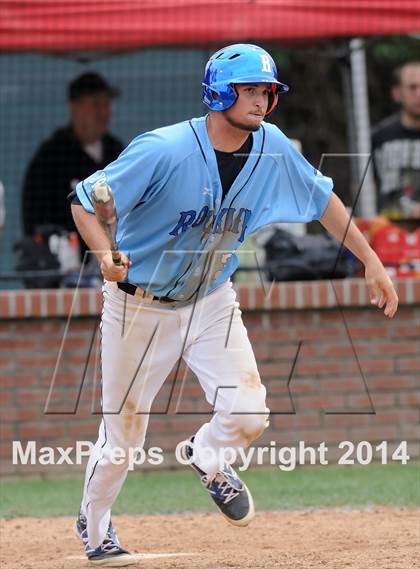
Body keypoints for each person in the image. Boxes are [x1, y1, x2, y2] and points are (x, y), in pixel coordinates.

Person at [71, 44, 399, 566]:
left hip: (211, 300)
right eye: (249, 88)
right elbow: (85, 201)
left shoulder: (271, 146)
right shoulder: (164, 148)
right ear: (219, 92)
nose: (261, 99)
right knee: (124, 437)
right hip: (141, 305)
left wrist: (370, 260)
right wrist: (106, 254)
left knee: (249, 412)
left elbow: (323, 200)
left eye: (267, 90)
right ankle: (95, 526)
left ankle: (209, 456)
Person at [22, 72, 124, 256]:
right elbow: (34, 220)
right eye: (96, 104)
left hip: (117, 260)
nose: (104, 112)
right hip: (66, 267)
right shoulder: (50, 157)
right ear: (75, 107)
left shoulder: (116, 151)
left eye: (106, 104)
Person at [371, 61, 420, 218]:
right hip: (388, 231)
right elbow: (364, 185)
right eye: (412, 87)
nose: (419, 94)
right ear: (397, 93)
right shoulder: (379, 137)